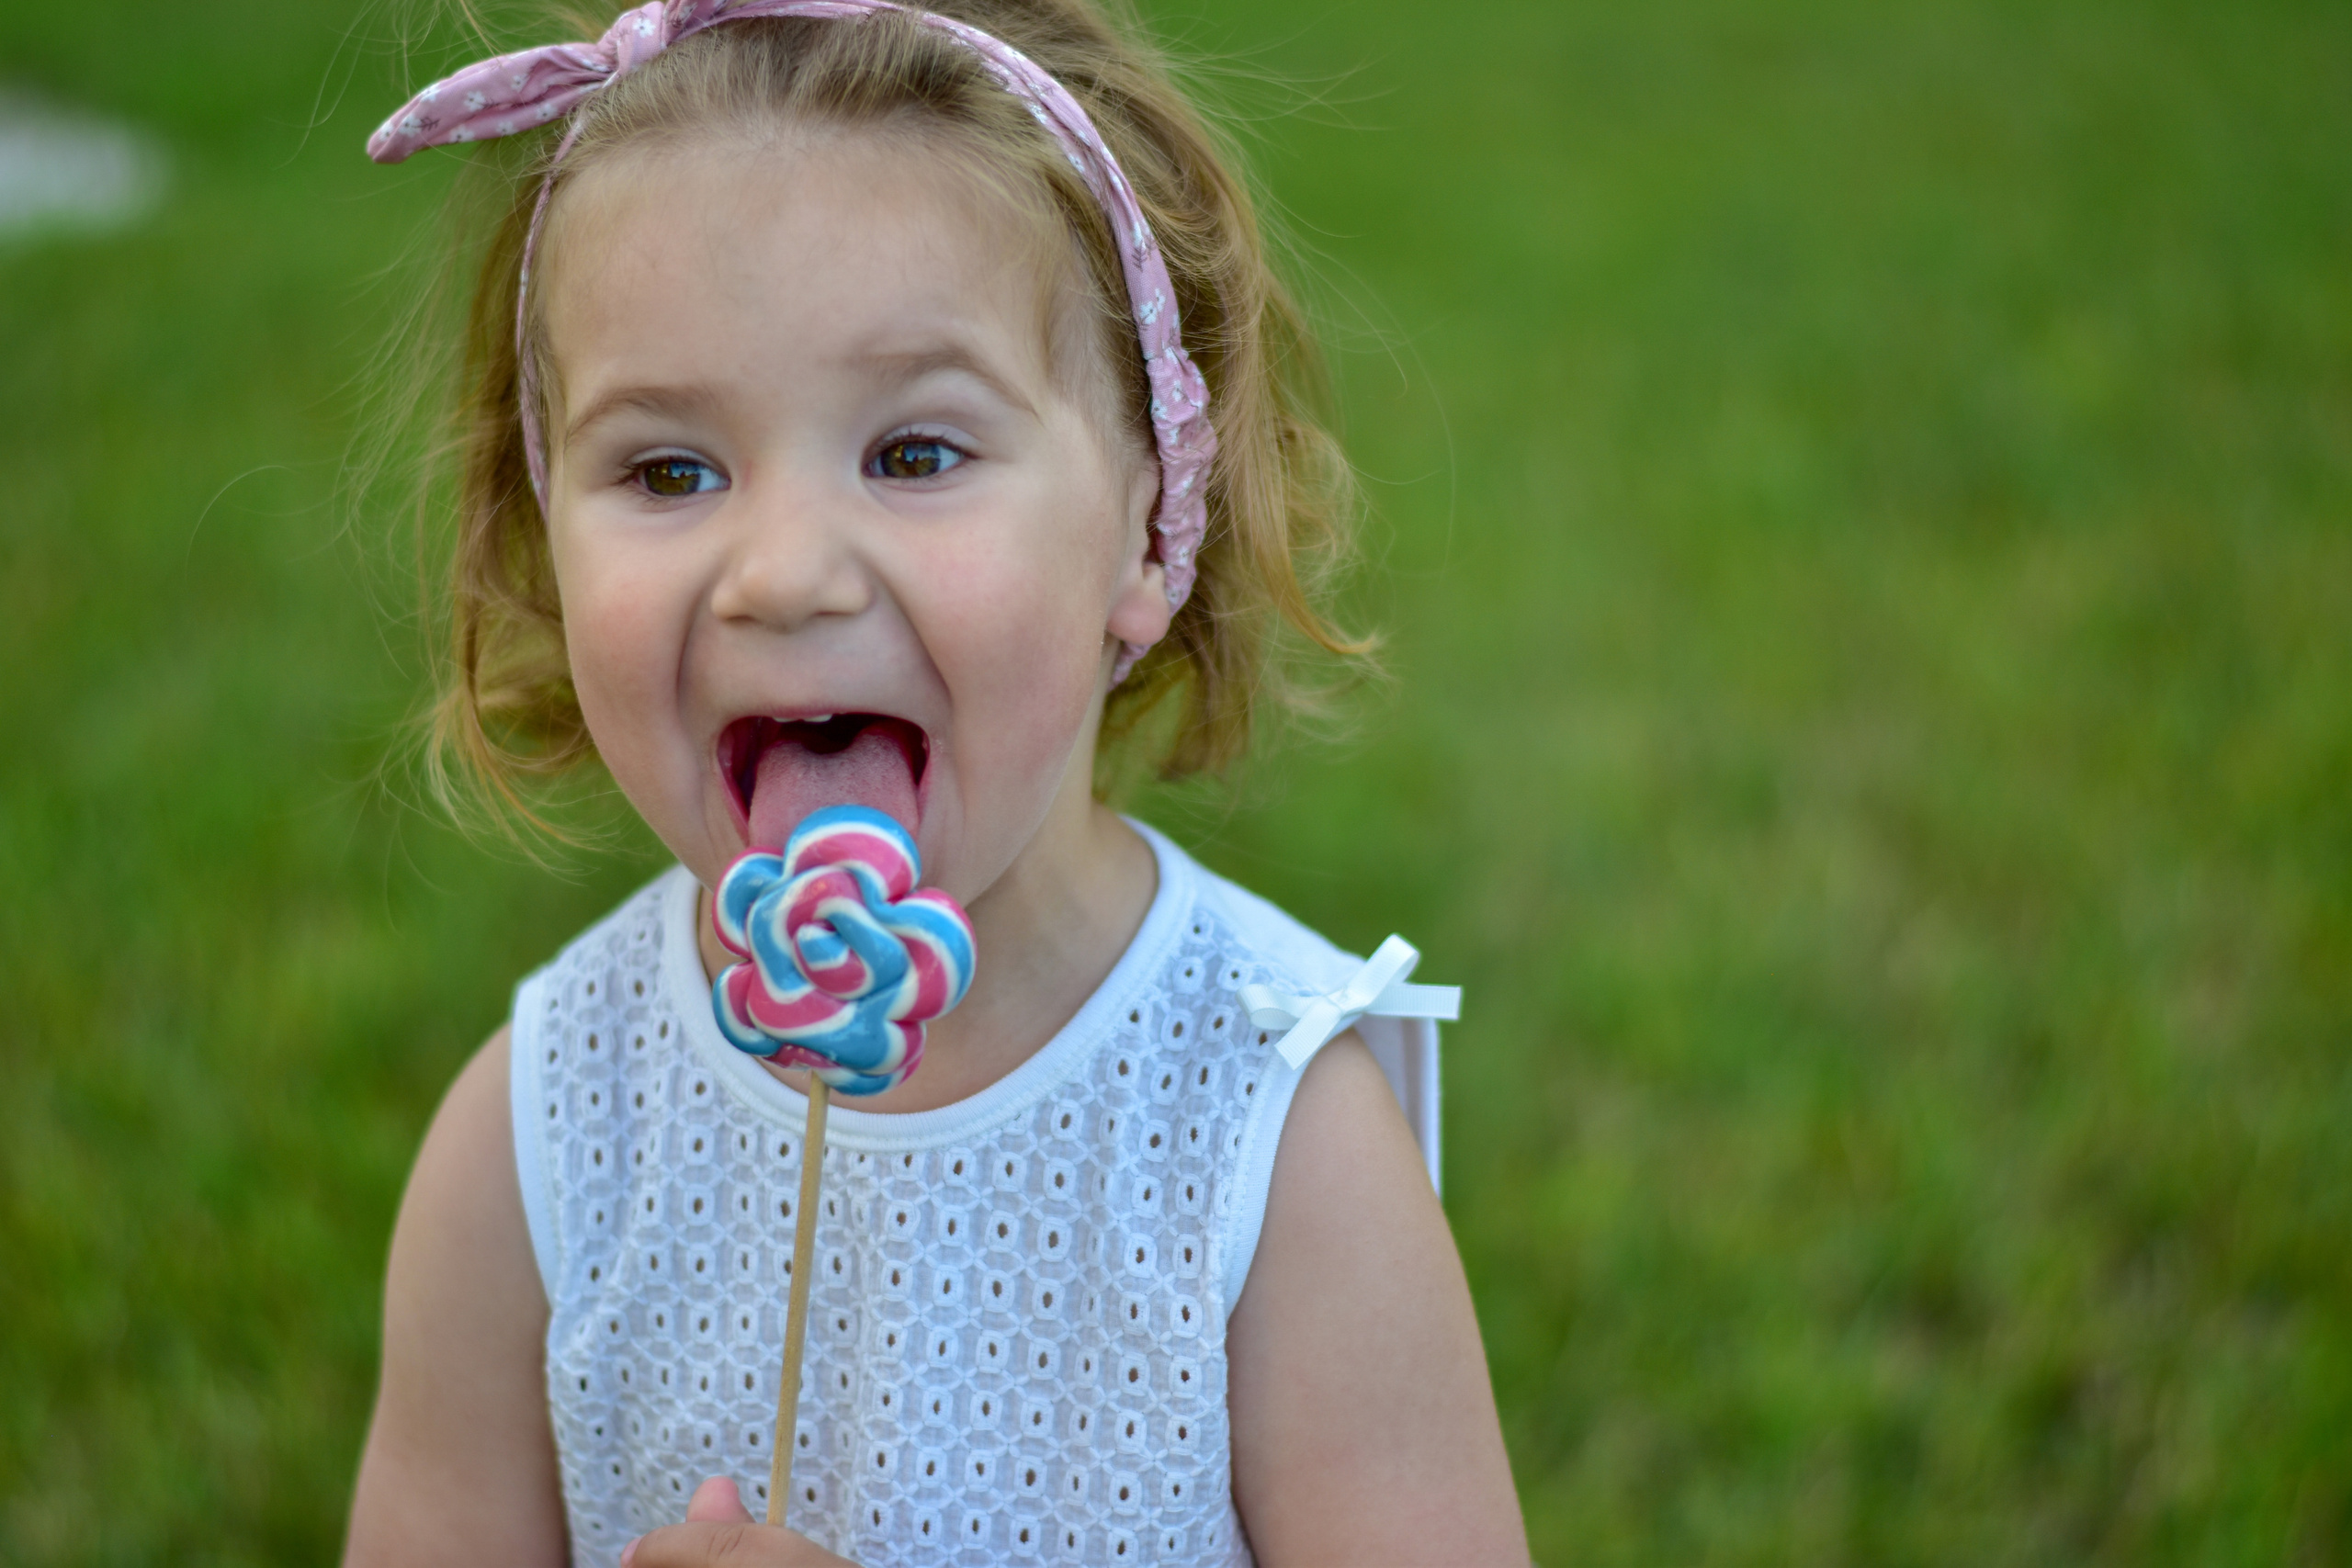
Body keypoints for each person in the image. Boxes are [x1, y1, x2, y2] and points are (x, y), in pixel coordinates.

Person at [340, 2, 1528, 1562]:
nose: (782, 573)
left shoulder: (1279, 1156)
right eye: (667, 471)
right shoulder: (541, 1136)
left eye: (914, 453)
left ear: (1146, 520)